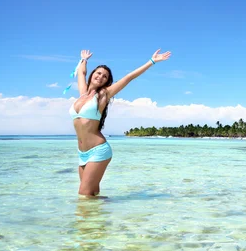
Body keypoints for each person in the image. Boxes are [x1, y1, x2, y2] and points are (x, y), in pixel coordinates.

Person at [69, 48, 171, 197]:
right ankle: (105, 217)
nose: (101, 77)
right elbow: (81, 73)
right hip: (82, 153)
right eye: (98, 73)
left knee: (84, 194)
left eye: (105, 76)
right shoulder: (82, 93)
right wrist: (84, 59)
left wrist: (152, 61)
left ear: (107, 81)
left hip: (98, 151)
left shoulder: (103, 95)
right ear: (92, 75)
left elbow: (128, 78)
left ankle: (93, 219)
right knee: (92, 194)